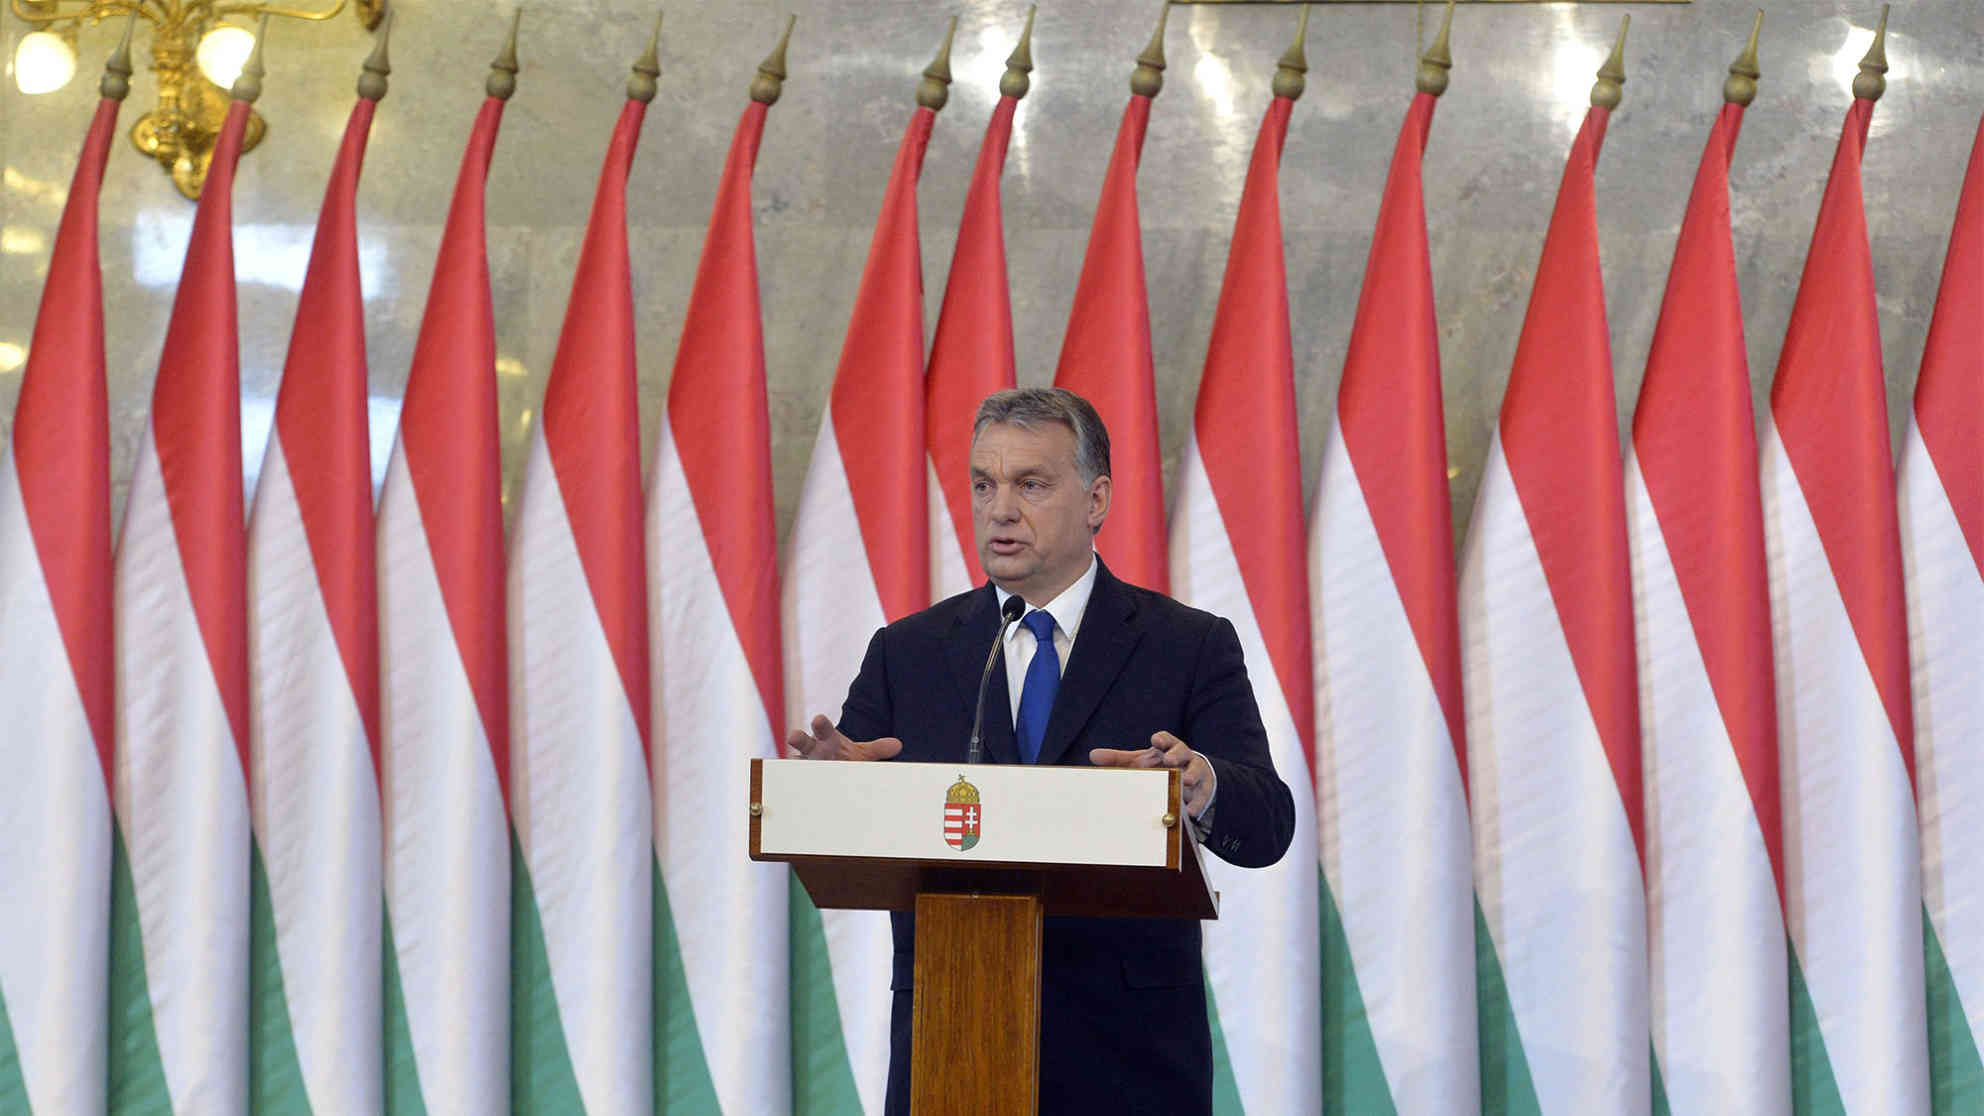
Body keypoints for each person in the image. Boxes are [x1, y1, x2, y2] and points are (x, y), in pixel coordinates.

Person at [785, 387, 1295, 1115]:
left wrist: (1202, 784)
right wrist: (834, 794)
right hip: (952, 1050)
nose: (999, 510)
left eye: (1030, 484)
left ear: (1096, 499)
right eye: (984, 484)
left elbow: (1269, 825)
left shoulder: (1186, 645)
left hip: (1130, 1064)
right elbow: (852, 827)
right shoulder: (910, 653)